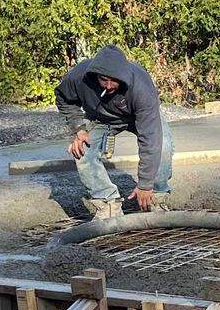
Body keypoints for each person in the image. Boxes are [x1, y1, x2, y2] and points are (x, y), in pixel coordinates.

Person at [55, 45, 173, 220]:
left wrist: (145, 184)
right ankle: (108, 203)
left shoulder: (141, 87)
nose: (108, 86)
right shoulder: (80, 76)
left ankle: (155, 197)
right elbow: (64, 99)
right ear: (95, 75)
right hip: (100, 118)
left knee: (162, 145)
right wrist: (78, 129)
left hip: (137, 116)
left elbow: (151, 139)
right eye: (103, 80)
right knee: (82, 150)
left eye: (114, 81)